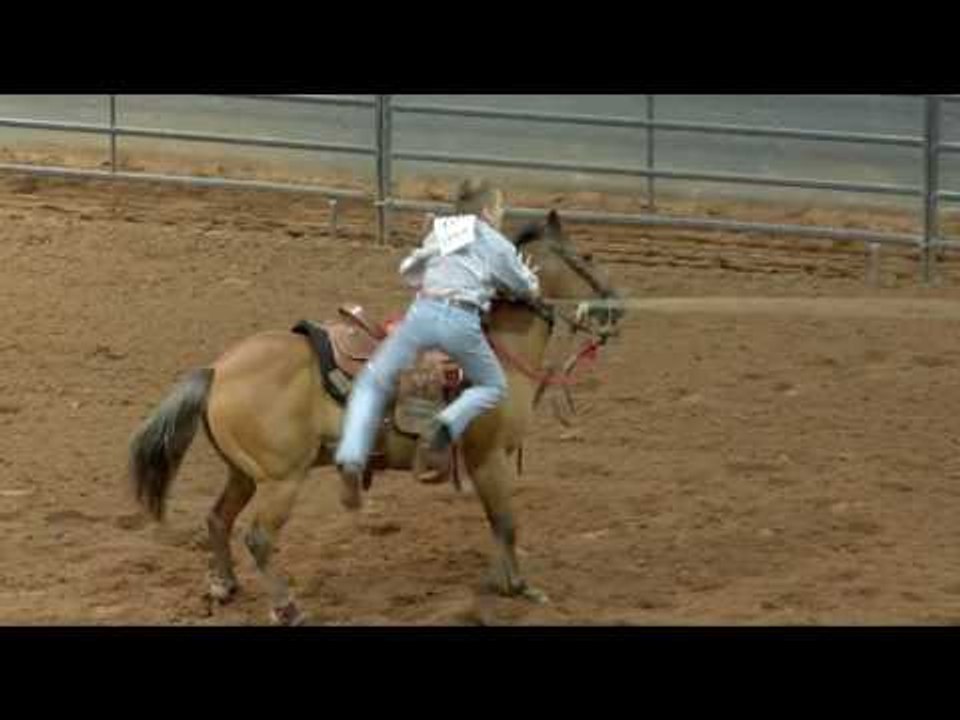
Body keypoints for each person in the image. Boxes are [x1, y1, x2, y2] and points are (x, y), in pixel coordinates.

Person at [335, 179, 540, 509]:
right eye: (500, 208)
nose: (502, 214)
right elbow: (525, 288)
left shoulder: (443, 232)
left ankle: (351, 458)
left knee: (371, 383)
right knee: (493, 387)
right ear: (488, 211)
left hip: (421, 315)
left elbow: (411, 273)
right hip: (461, 322)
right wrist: (526, 279)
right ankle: (444, 426)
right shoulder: (495, 242)